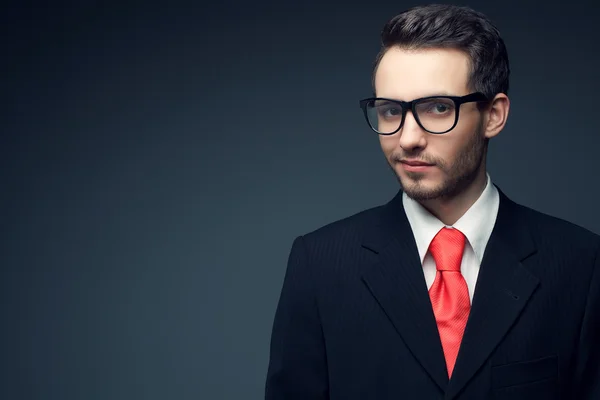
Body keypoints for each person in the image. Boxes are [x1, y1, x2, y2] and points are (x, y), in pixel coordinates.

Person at [264, 4, 600, 399]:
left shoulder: (581, 264)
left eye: (438, 108)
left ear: (494, 114)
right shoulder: (319, 263)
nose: (408, 138)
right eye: (390, 111)